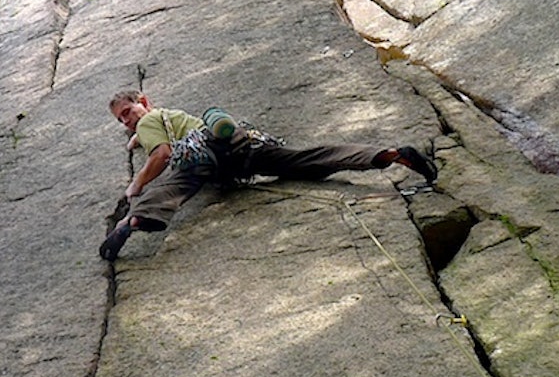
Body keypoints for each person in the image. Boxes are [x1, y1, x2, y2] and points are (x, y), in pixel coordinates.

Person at [100, 90, 438, 260]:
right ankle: (389, 155)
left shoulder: (148, 122)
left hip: (202, 157)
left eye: (128, 112)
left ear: (143, 101)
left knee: (174, 185)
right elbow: (149, 133)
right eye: (121, 120)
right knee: (307, 159)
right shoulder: (167, 116)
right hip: (240, 149)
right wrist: (135, 137)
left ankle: (133, 220)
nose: (127, 120)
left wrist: (136, 184)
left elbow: (161, 154)